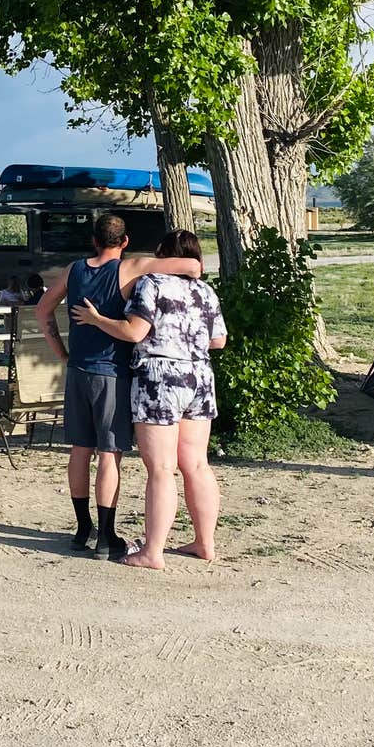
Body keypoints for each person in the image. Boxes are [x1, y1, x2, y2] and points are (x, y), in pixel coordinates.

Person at [34, 214, 203, 560]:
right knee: (109, 454)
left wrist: (62, 353)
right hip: (112, 371)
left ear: (93, 240)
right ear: (124, 242)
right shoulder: (132, 268)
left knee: (80, 450)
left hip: (78, 370)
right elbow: (193, 266)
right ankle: (106, 534)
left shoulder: (73, 271)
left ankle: (83, 528)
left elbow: (43, 310)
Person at [71, 229, 225, 571]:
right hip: (199, 375)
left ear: (163, 254)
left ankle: (152, 551)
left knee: (161, 468)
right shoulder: (205, 291)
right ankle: (205, 542)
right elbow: (219, 341)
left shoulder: (151, 283)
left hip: (159, 377)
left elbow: (134, 331)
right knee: (197, 464)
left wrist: (97, 320)